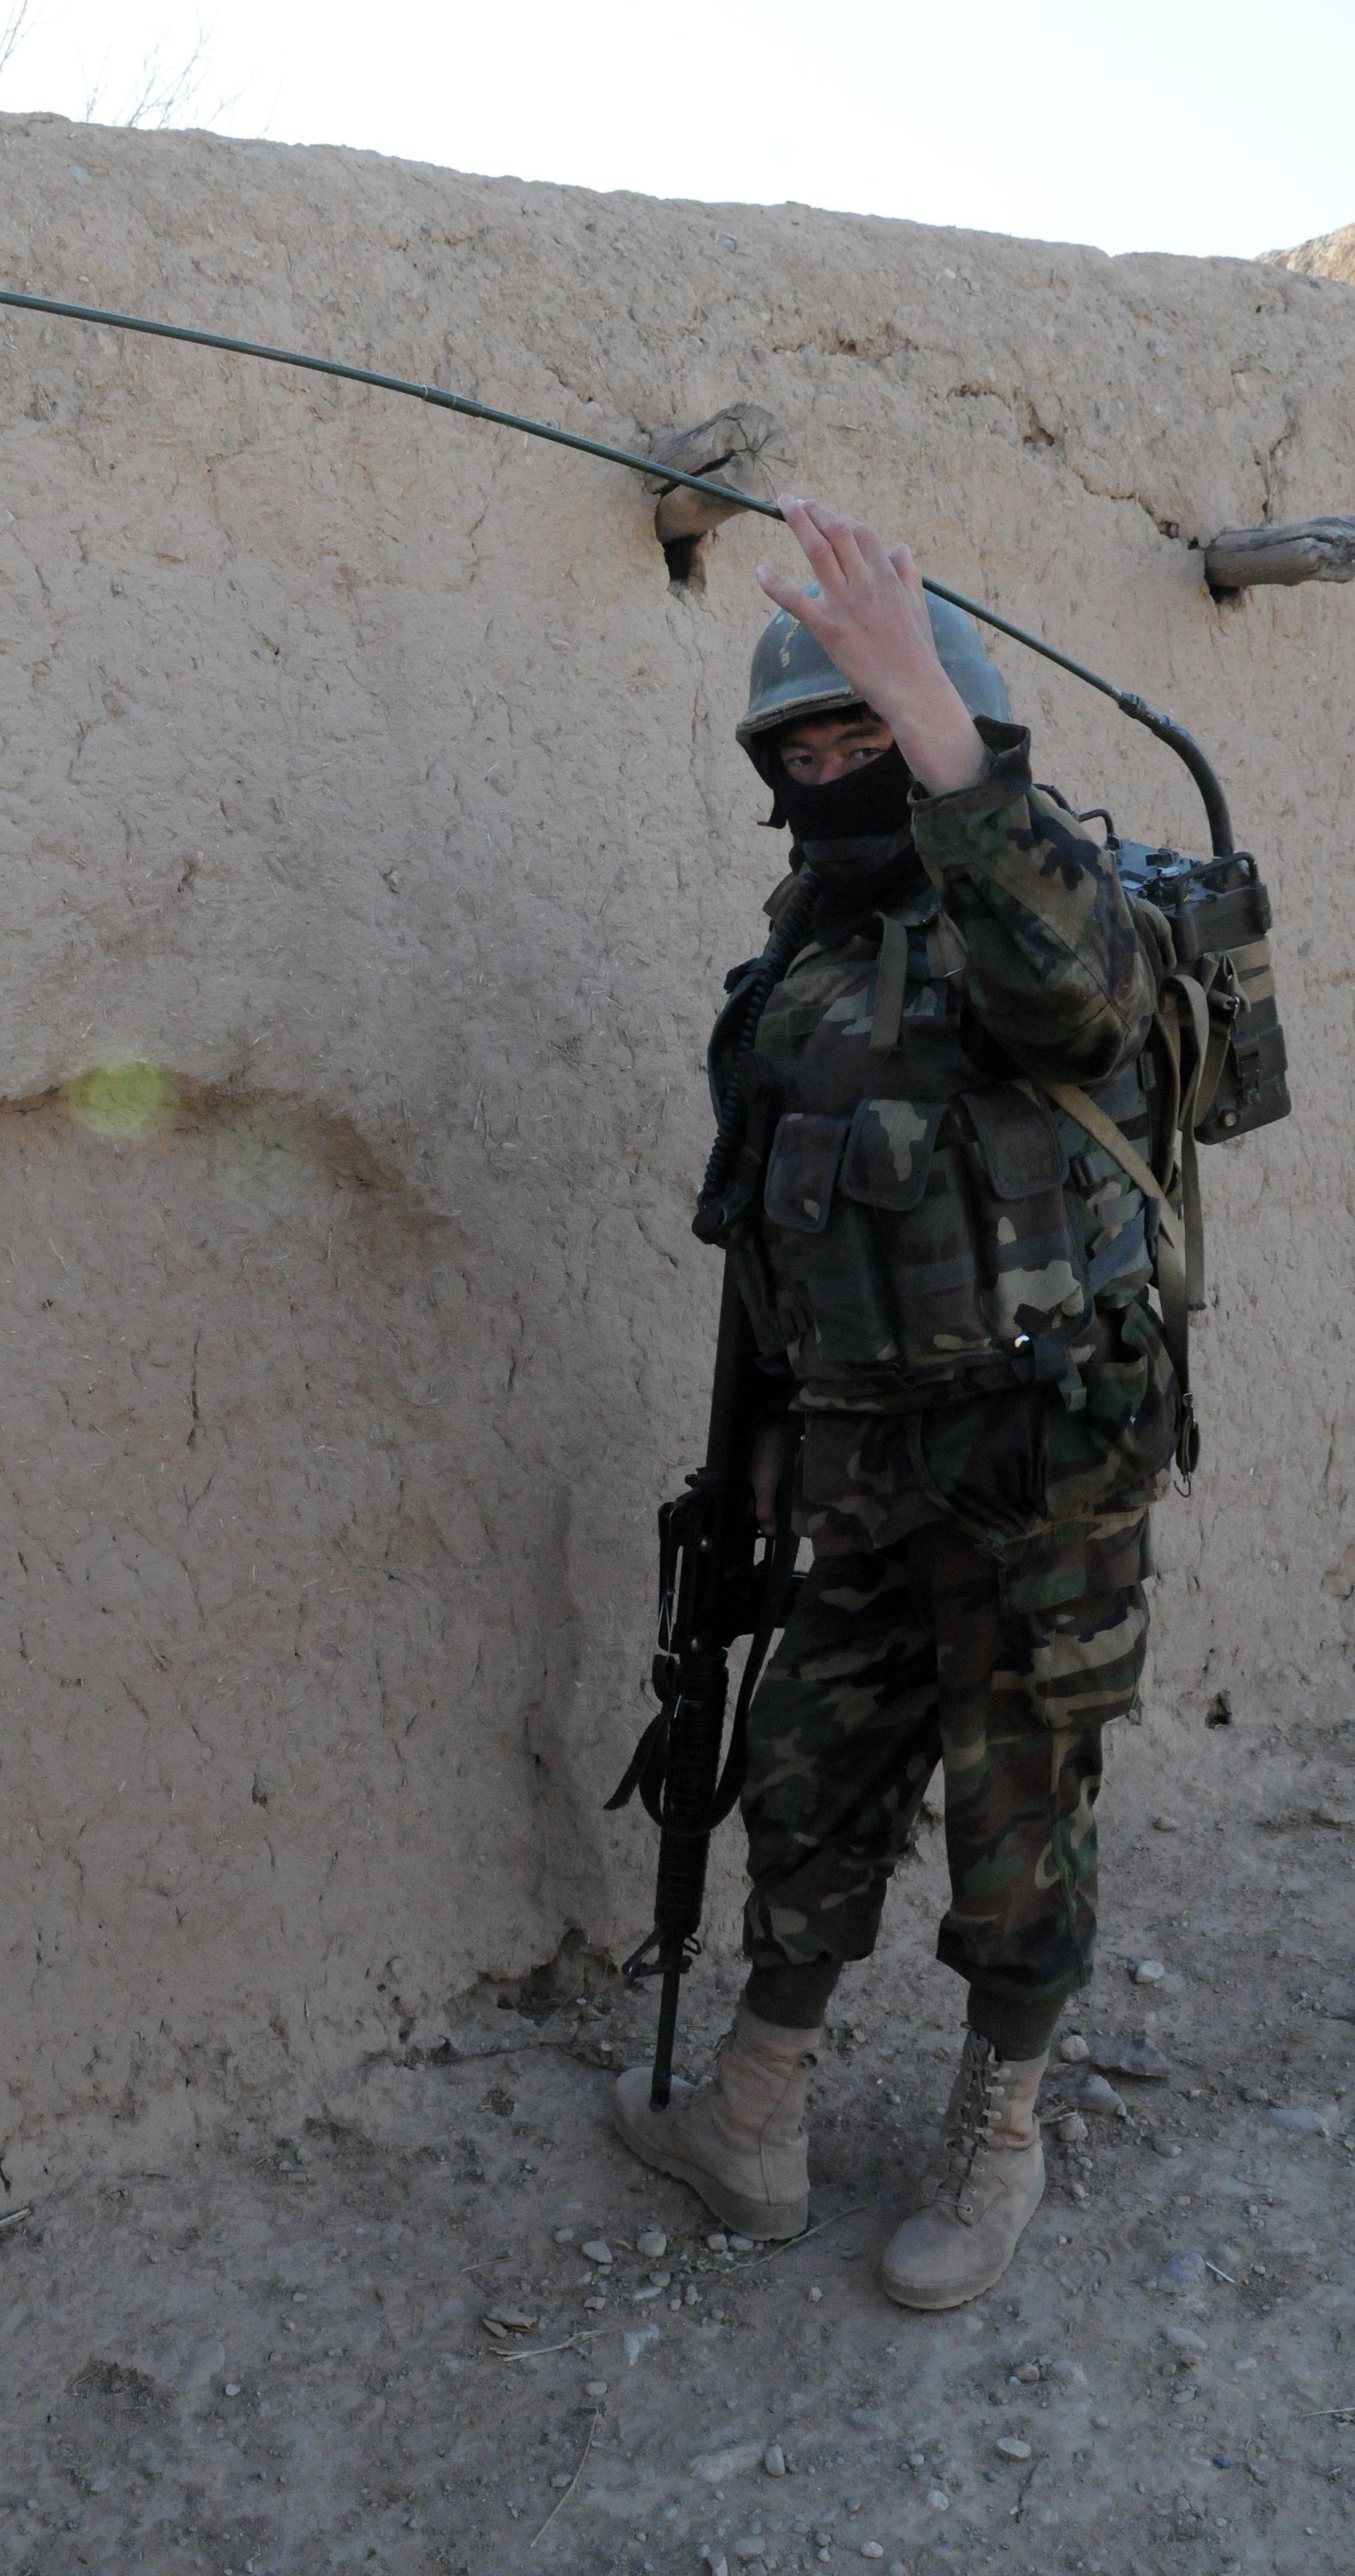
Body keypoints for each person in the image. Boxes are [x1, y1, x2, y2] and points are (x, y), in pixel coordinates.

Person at [615, 497, 1180, 2310]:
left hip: (1041, 1461)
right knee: (811, 1771)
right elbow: (780, 1205)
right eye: (814, 739)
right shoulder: (812, 939)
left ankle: (996, 2136)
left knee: (1022, 1799)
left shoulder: (1039, 903)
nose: (839, 760)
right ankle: (754, 2117)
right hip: (856, 1452)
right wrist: (771, 1425)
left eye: (866, 729)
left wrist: (930, 709)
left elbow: (1081, 1006)